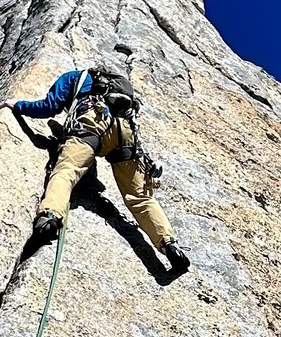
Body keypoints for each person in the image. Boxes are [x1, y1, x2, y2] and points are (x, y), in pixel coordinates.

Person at [11, 58, 190, 272]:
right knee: (141, 198)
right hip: (125, 133)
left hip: (93, 122)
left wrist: (17, 106)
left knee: (66, 172)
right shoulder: (120, 91)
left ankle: (50, 216)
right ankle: (169, 243)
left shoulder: (73, 78)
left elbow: (49, 107)